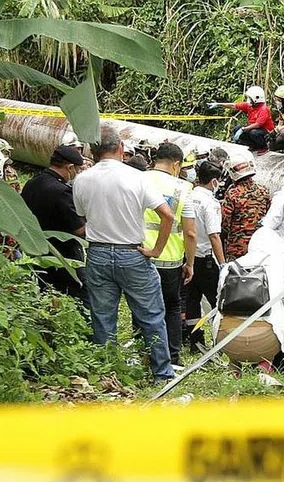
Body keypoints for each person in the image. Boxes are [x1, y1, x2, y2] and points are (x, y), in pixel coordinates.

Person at [72, 125, 176, 381]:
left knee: (103, 317)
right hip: (132, 254)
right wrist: (156, 250)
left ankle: (109, 373)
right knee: (151, 315)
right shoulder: (137, 178)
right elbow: (168, 215)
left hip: (97, 253)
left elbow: (82, 217)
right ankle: (162, 373)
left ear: (93, 151)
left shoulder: (81, 179)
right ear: (120, 148)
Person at [143, 142, 197, 366]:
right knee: (172, 307)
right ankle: (172, 356)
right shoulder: (183, 188)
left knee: (144, 306)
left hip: (141, 254)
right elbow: (191, 232)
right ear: (176, 164)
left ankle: (146, 352)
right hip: (171, 260)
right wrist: (190, 263)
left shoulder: (138, 179)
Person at [213, 227, 284, 369]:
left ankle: (234, 368)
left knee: (229, 321)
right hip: (266, 341)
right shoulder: (277, 267)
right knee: (277, 322)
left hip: (228, 339)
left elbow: (219, 300)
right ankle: (264, 367)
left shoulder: (230, 267)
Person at [21, 144, 87, 303]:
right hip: (63, 253)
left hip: (36, 250)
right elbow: (79, 230)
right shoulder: (62, 191)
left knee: (45, 294)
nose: (76, 174)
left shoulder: (32, 184)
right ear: (70, 167)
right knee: (80, 295)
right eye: (77, 170)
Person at [184, 160, 227, 350]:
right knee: (218, 302)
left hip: (189, 257)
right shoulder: (210, 203)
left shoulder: (189, 197)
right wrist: (223, 263)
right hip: (207, 259)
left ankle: (196, 341)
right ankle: (223, 341)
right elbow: (214, 236)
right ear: (214, 181)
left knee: (192, 301)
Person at [221, 154, 271, 261]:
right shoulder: (263, 190)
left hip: (237, 247)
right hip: (258, 244)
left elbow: (225, 223)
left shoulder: (232, 193)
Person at [209, 86, 275, 153]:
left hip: (266, 132)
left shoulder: (263, 109)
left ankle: (264, 147)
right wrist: (219, 104)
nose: (249, 100)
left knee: (254, 133)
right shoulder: (250, 106)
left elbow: (258, 124)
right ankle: (254, 146)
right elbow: (233, 105)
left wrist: (244, 129)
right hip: (254, 129)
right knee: (237, 129)